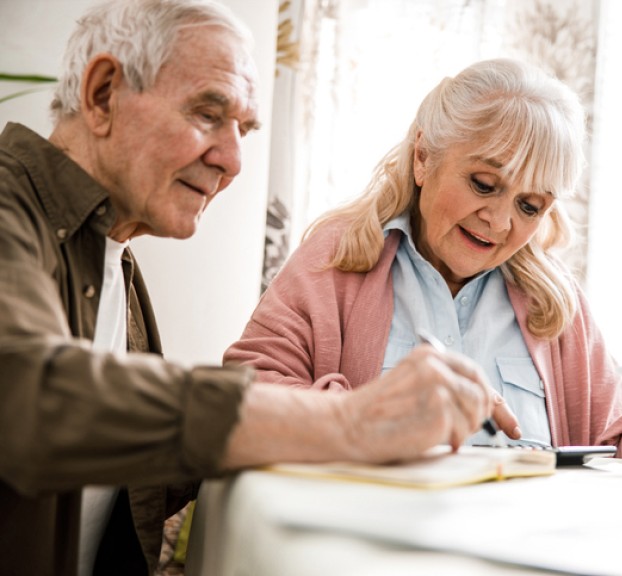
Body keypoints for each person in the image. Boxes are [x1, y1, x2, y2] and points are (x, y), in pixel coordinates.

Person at [0, 2, 497, 575]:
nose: (232, 159)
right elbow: (33, 398)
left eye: (243, 129)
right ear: (104, 94)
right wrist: (351, 422)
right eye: (208, 114)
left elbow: (138, 476)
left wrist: (358, 409)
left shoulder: (113, 261)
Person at [224, 57, 622, 466]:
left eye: (528, 206)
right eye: (484, 184)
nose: (498, 223)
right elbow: (242, 396)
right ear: (423, 157)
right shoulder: (337, 258)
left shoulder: (556, 304)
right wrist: (363, 414)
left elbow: (604, 442)